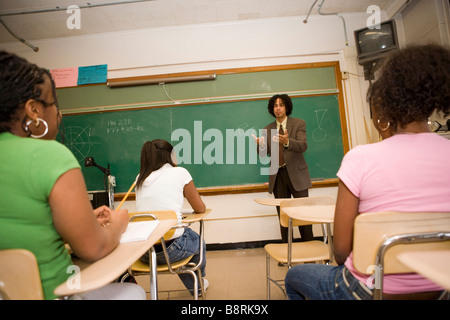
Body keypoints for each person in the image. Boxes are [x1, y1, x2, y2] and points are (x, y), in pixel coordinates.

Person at [285, 44, 450, 300]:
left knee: (294, 276)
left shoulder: (360, 158)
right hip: (438, 288)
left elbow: (340, 252)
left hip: (368, 290)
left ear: (384, 106)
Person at [0, 51, 145, 300]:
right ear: (33, 110)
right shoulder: (50, 155)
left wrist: (83, 219)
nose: (59, 113)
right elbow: (94, 248)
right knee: (133, 292)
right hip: (53, 294)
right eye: (54, 102)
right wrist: (119, 224)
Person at [135, 139, 207, 295]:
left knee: (185, 237)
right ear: (169, 156)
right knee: (197, 241)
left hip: (143, 252)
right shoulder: (180, 172)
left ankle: (197, 285)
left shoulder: (139, 178)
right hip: (172, 251)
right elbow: (200, 208)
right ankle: (199, 286)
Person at [254, 94, 313, 243]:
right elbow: (264, 154)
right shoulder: (267, 129)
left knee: (303, 215)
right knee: (284, 217)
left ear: (287, 107)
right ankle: (286, 253)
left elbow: (303, 145)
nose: (278, 108)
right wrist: (259, 146)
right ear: (272, 109)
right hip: (278, 176)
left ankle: (310, 251)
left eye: (281, 105)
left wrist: (287, 142)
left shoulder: (299, 123)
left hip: (297, 175)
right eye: (275, 105)